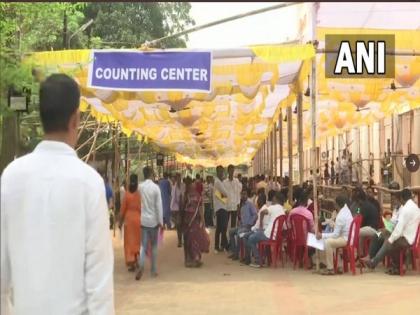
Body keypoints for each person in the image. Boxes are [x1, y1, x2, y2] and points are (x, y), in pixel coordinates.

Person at [0, 74, 114, 314]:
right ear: (75, 120)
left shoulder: (11, 178)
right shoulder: (90, 183)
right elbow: (99, 283)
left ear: (42, 117)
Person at [363, 189, 420, 274]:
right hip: (398, 233)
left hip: (405, 238)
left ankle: (373, 262)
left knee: (388, 241)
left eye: (395, 199)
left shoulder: (405, 209)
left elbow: (399, 229)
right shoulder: (413, 207)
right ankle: (370, 256)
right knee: (377, 234)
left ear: (401, 199)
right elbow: (394, 223)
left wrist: (391, 239)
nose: (394, 201)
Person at [136, 166, 163, 281]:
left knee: (143, 245)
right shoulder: (156, 188)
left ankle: (141, 265)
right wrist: (160, 221)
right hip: (154, 221)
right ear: (151, 174)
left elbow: (138, 202)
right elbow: (158, 206)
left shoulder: (140, 187)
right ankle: (153, 270)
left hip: (143, 220)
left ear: (143, 174)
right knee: (154, 246)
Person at [245, 191, 286, 268]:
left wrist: (260, 224)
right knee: (258, 235)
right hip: (276, 236)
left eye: (273, 199)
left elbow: (263, 212)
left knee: (251, 238)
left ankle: (258, 260)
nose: (272, 201)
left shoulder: (273, 207)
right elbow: (284, 226)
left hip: (268, 234)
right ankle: (265, 258)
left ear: (276, 199)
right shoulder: (283, 210)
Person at [317, 195, 353, 275]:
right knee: (332, 241)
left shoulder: (340, 216)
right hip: (348, 236)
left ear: (336, 204)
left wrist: (322, 235)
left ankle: (330, 269)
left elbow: (335, 235)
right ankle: (339, 266)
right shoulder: (347, 210)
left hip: (345, 239)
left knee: (328, 242)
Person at [119, 174, 141, 272]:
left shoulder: (127, 195)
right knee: (136, 241)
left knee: (129, 242)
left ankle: (131, 262)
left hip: (128, 221)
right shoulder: (139, 195)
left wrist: (120, 222)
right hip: (138, 220)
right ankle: (136, 260)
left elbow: (122, 210)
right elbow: (141, 208)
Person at [228, 189, 258, 260]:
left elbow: (255, 215)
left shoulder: (250, 204)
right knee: (231, 231)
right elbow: (241, 217)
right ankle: (234, 252)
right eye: (242, 194)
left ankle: (237, 254)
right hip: (242, 226)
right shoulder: (241, 205)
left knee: (239, 233)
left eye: (244, 194)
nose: (243, 196)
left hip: (248, 226)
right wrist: (240, 221)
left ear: (247, 195)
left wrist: (250, 223)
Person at [182, 177, 206, 268]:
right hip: (189, 221)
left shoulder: (190, 195)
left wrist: (202, 220)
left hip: (192, 220)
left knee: (192, 240)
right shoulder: (187, 195)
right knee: (191, 239)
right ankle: (191, 259)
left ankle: (193, 259)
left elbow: (200, 208)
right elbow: (199, 208)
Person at [351, 187, 381, 252]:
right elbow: (358, 214)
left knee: (354, 232)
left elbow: (359, 219)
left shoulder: (365, 206)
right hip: (368, 227)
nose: (357, 203)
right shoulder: (362, 206)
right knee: (359, 234)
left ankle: (353, 252)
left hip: (373, 229)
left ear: (359, 200)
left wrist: (355, 217)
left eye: (357, 201)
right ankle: (360, 254)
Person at [213, 165, 230, 253]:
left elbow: (221, 195)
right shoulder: (218, 182)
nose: (222, 173)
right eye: (220, 172)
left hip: (220, 207)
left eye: (222, 172)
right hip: (221, 208)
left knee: (220, 228)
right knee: (223, 228)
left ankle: (219, 246)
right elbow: (226, 193)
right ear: (217, 172)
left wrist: (224, 197)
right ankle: (225, 245)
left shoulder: (219, 182)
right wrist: (225, 197)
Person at [170, 173, 184, 247]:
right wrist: (172, 209)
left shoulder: (183, 186)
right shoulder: (174, 187)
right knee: (178, 224)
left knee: (183, 224)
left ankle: (184, 240)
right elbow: (173, 199)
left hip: (184, 208)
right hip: (177, 208)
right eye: (177, 178)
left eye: (179, 177)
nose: (178, 179)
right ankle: (179, 241)